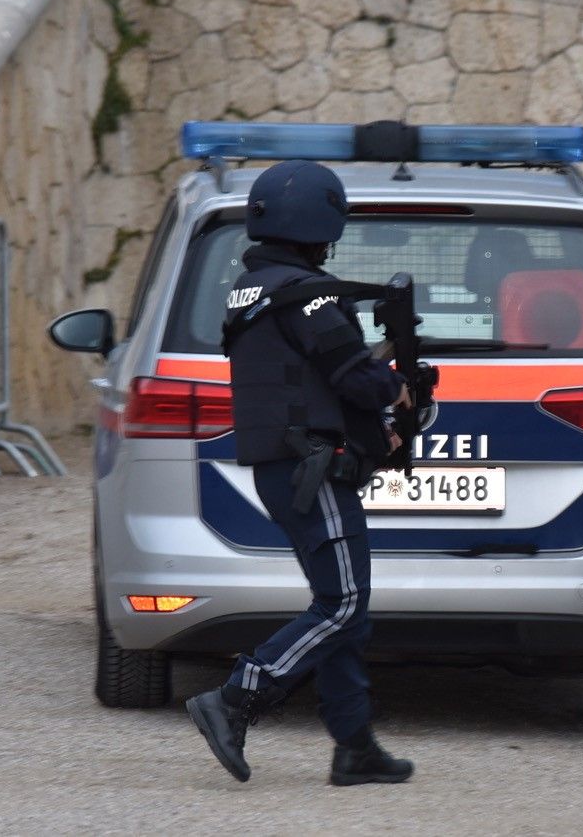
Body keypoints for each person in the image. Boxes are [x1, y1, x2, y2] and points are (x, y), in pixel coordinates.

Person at [185, 159, 414, 786]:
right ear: (321, 225)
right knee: (342, 606)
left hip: (285, 466)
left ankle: (355, 745)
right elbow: (350, 373)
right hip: (311, 469)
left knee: (344, 610)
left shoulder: (252, 290)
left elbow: (307, 376)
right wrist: (396, 389)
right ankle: (235, 698)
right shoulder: (309, 294)